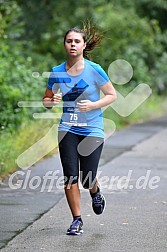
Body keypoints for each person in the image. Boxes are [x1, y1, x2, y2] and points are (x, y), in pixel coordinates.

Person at [43, 21, 117, 235]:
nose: (73, 45)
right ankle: (77, 220)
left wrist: (94, 105)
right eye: (69, 41)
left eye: (77, 41)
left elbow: (112, 95)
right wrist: (52, 101)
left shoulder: (94, 70)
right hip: (67, 128)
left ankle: (95, 192)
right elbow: (46, 101)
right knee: (70, 176)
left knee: (87, 178)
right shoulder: (57, 72)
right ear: (64, 45)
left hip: (92, 129)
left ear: (84, 45)